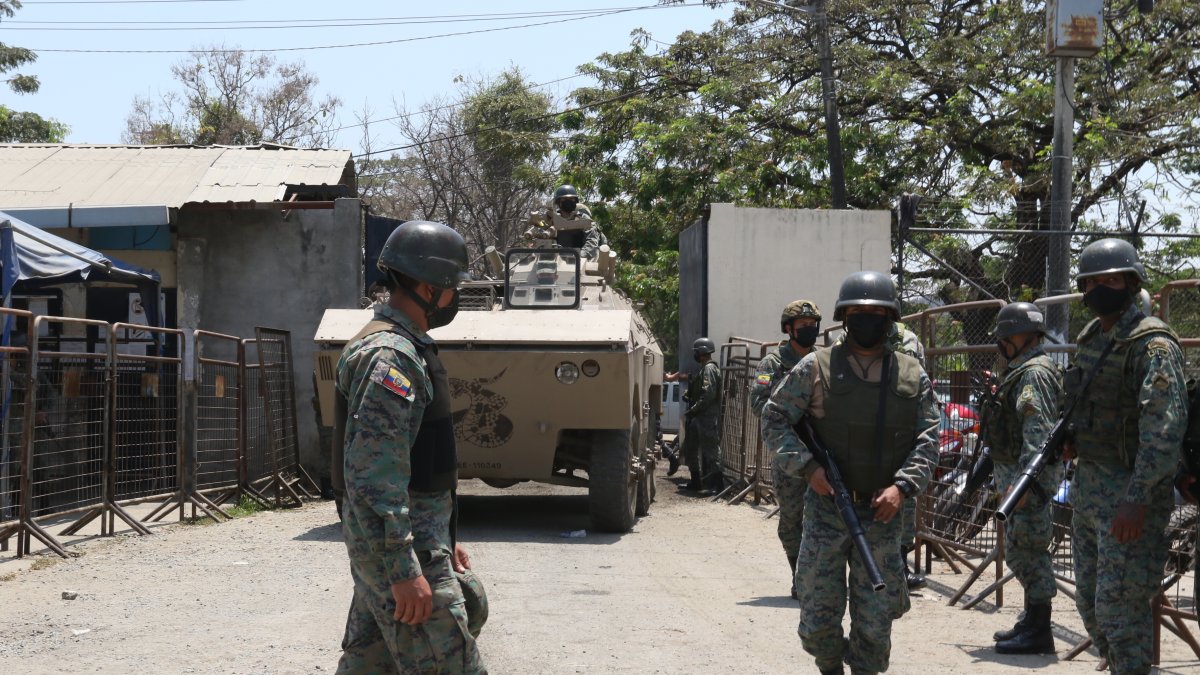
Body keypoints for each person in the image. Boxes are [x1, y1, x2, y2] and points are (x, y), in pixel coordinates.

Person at [762, 270, 939, 675]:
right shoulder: (815, 367)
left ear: (890, 317)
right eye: (858, 311)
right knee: (817, 622)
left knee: (876, 626)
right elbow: (774, 419)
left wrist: (902, 486)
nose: (867, 318)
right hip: (826, 511)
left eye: (876, 312)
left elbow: (929, 437)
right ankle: (829, 665)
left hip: (881, 515)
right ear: (845, 316)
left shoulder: (911, 373)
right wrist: (807, 468)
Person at [333, 220, 487, 674]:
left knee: (371, 662)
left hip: (412, 539)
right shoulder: (391, 357)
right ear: (427, 285)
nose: (454, 296)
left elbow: (418, 459)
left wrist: (443, 538)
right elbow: (374, 476)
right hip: (399, 546)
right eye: (451, 285)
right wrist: (404, 568)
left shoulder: (408, 347)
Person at [1063, 238, 1186, 675]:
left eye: (1111, 280)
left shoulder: (1152, 344)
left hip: (1131, 498)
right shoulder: (1092, 338)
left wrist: (1137, 499)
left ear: (1131, 284)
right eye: (1091, 281)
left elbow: (1163, 433)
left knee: (1122, 612)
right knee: (1090, 604)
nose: (1100, 288)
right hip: (1091, 488)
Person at [983, 302, 1063, 655]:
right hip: (1014, 477)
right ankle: (1032, 620)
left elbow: (1037, 431)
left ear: (1020, 335)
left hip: (1024, 482)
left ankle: (1040, 630)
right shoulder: (1021, 369)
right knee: (1019, 548)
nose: (1000, 343)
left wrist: (1025, 484)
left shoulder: (1034, 373)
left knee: (1029, 550)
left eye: (1004, 336)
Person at [839, 316, 928, 589]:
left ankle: (898, 569)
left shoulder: (910, 341)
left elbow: (919, 382)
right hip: (863, 428)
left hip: (899, 433)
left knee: (903, 507)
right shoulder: (849, 339)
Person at [750, 299, 823, 599]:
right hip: (789, 455)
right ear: (789, 329)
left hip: (821, 453)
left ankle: (818, 578)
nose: (810, 330)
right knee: (792, 519)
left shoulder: (824, 361)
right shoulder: (772, 364)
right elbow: (758, 403)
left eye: (813, 325)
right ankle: (797, 575)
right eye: (803, 325)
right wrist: (790, 414)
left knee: (821, 520)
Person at [665, 337, 723, 494]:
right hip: (698, 417)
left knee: (711, 451)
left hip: (705, 417)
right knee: (691, 449)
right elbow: (700, 391)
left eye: (697, 352)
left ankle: (716, 486)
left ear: (702, 352)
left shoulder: (710, 369)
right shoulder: (704, 369)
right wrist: (689, 396)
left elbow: (708, 394)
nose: (695, 355)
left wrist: (694, 409)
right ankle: (696, 482)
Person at [525, 184, 608, 260]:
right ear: (558, 202)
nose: (568, 201)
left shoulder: (584, 219)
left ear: (575, 201)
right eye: (564, 199)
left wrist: (579, 257)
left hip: (581, 262)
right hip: (554, 261)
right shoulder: (551, 219)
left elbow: (592, 241)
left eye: (571, 199)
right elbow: (540, 234)